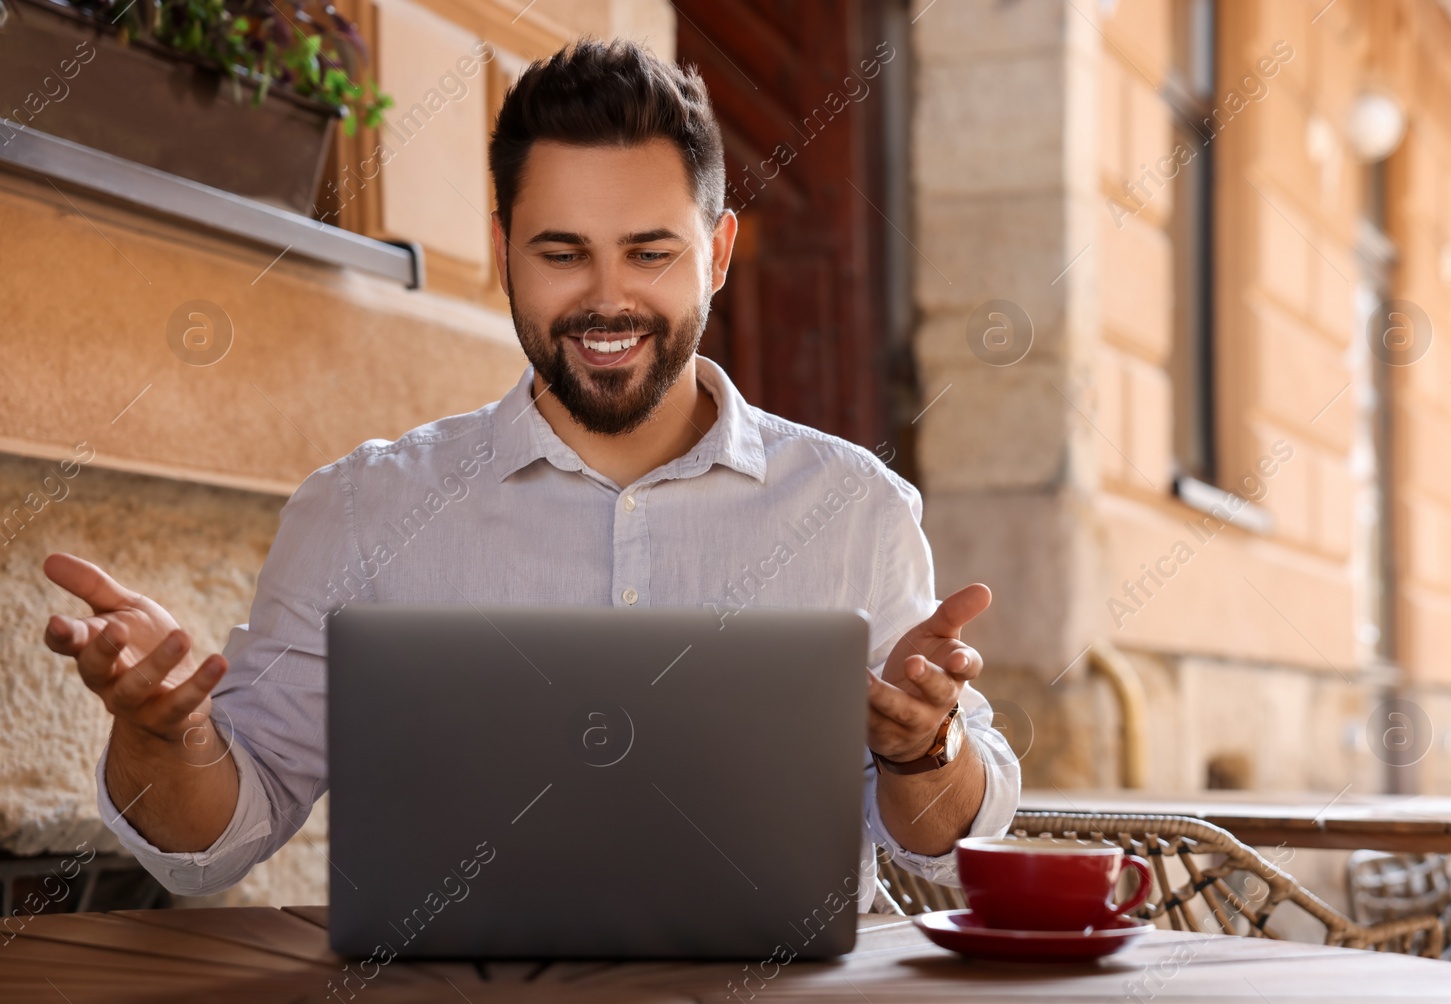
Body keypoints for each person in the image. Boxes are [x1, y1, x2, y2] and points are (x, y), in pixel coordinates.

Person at [41, 39, 1020, 911]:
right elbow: (214, 841)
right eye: (562, 253)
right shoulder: (361, 507)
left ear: (716, 253)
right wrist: (166, 734)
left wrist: (923, 748)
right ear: (505, 249)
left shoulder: (854, 508)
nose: (606, 298)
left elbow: (947, 842)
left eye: (650, 252)